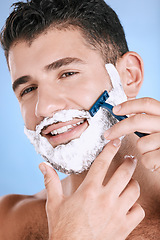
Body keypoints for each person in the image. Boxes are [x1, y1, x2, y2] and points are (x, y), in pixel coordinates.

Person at [0, 0, 160, 239]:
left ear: (129, 75)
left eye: (67, 74)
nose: (44, 107)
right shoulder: (10, 220)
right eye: (28, 90)